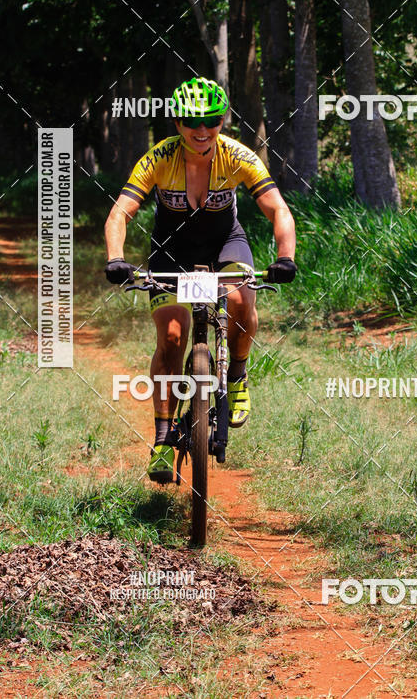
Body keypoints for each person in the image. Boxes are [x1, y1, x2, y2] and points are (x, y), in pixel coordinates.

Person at [104, 77, 297, 482]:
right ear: (177, 123)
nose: (202, 130)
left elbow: (278, 209)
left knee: (243, 301)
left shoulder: (238, 156)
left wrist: (286, 257)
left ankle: (238, 374)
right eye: (192, 121)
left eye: (212, 120)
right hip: (170, 251)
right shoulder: (158, 158)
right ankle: (160, 440)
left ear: (223, 120)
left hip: (226, 243)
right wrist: (116, 258)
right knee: (172, 339)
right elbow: (120, 213)